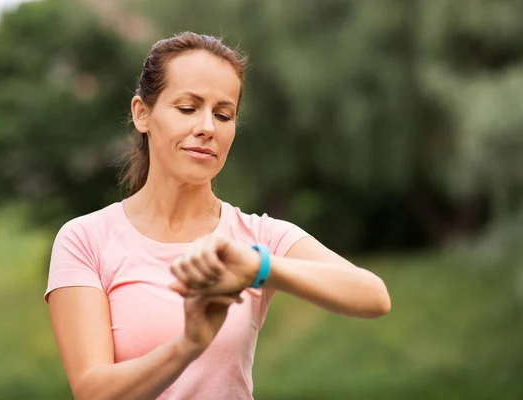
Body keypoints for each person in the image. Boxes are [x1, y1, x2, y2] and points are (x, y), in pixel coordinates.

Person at [44, 31, 391, 400]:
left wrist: (260, 268)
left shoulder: (256, 237)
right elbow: (92, 392)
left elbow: (373, 296)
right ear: (142, 113)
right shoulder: (85, 239)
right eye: (188, 108)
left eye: (223, 114)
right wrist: (189, 343)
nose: (207, 128)